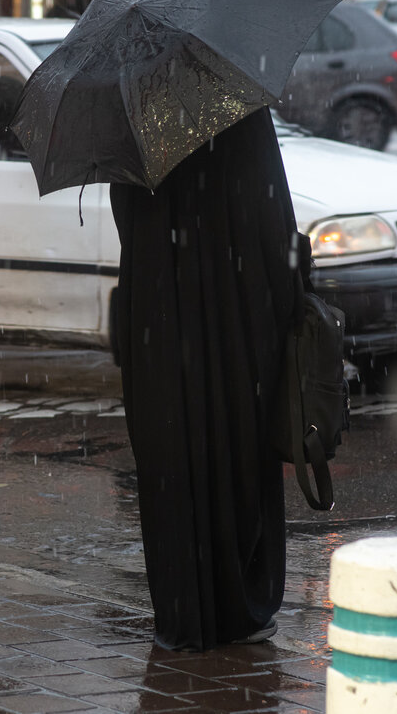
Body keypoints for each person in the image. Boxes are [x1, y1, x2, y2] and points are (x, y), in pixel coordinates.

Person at [109, 108, 300, 651]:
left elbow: (130, 225)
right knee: (237, 457)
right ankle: (239, 603)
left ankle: (182, 610)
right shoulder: (238, 113)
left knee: (172, 464)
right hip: (237, 321)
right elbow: (274, 222)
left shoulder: (134, 123)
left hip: (160, 330)